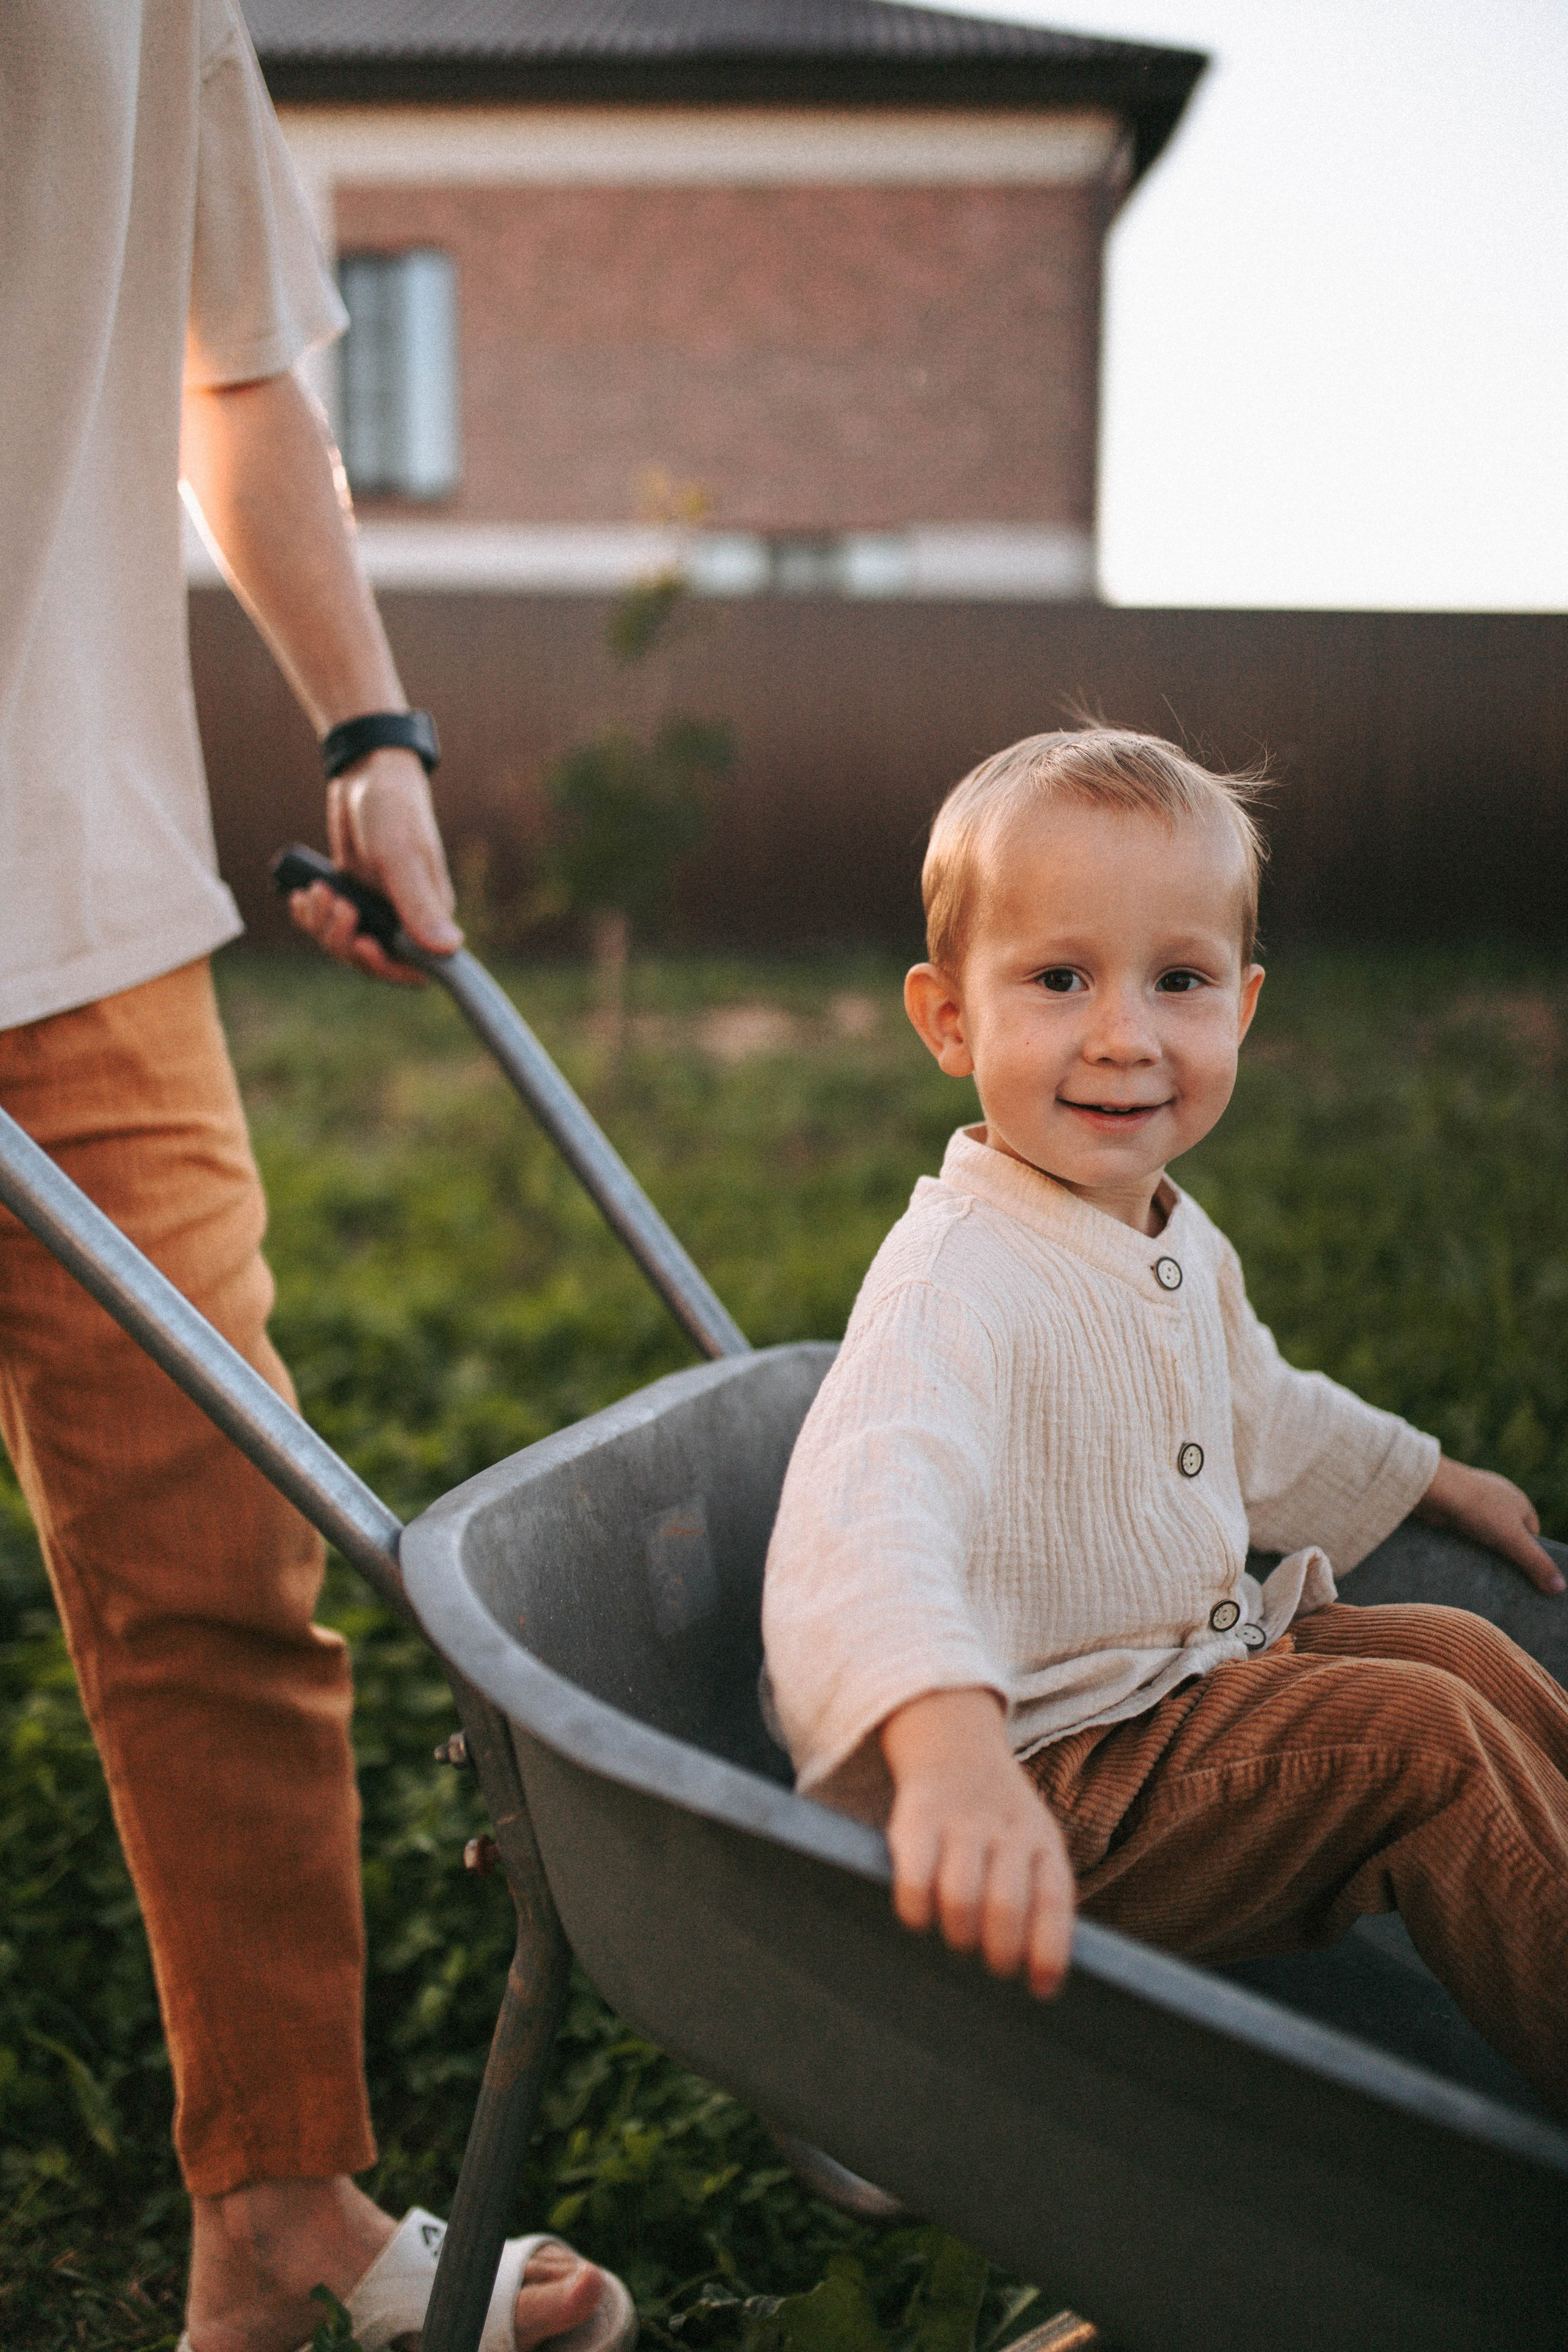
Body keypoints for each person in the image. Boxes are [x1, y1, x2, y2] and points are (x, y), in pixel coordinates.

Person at [0, 7, 633, 2348]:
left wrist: (368, 727)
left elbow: (235, 365)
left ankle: (279, 2210)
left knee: (220, 1575)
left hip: (79, 891)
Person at [761, 726, 1568, 2116]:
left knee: (1458, 1650)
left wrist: (1424, 1476)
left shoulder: (1164, 1235)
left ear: (1241, 1008)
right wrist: (944, 1754)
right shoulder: (956, 1282)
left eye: (1177, 981)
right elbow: (862, 1523)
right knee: (1418, 1750)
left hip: (1167, 1686)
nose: (1124, 1035)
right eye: (1058, 978)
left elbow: (1251, 1405)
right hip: (1041, 1780)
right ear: (948, 1018)